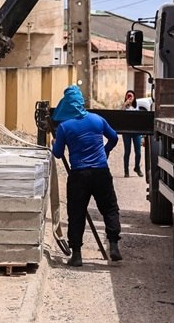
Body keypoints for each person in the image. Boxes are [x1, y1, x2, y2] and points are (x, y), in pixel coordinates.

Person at [51, 85, 122, 267]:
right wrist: (105, 151)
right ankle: (113, 244)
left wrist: (54, 142)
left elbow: (57, 153)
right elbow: (114, 137)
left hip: (78, 174)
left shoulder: (64, 127)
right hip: (101, 172)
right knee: (109, 208)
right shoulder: (97, 120)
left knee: (76, 213)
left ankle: (76, 254)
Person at [120, 90, 143, 178]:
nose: (129, 98)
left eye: (131, 96)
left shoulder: (137, 106)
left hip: (136, 132)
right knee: (127, 151)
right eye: (128, 96)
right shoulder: (124, 106)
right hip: (126, 132)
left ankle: (137, 167)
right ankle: (126, 171)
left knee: (138, 152)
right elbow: (120, 114)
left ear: (134, 98)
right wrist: (125, 104)